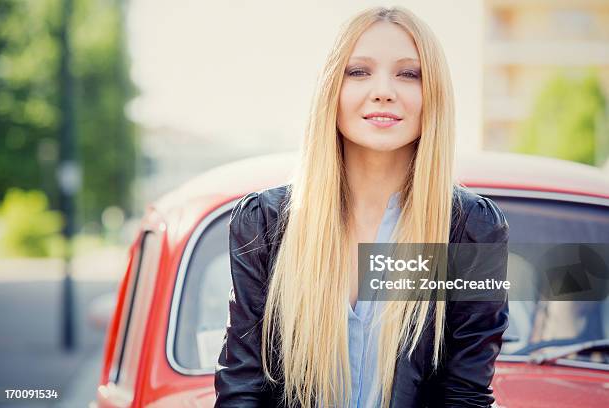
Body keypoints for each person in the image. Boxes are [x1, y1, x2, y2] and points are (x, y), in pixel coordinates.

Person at [215, 6, 509, 408]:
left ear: (433, 94)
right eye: (358, 72)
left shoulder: (470, 231)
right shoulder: (264, 224)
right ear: (330, 89)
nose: (383, 90)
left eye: (409, 74)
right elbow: (242, 389)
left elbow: (465, 395)